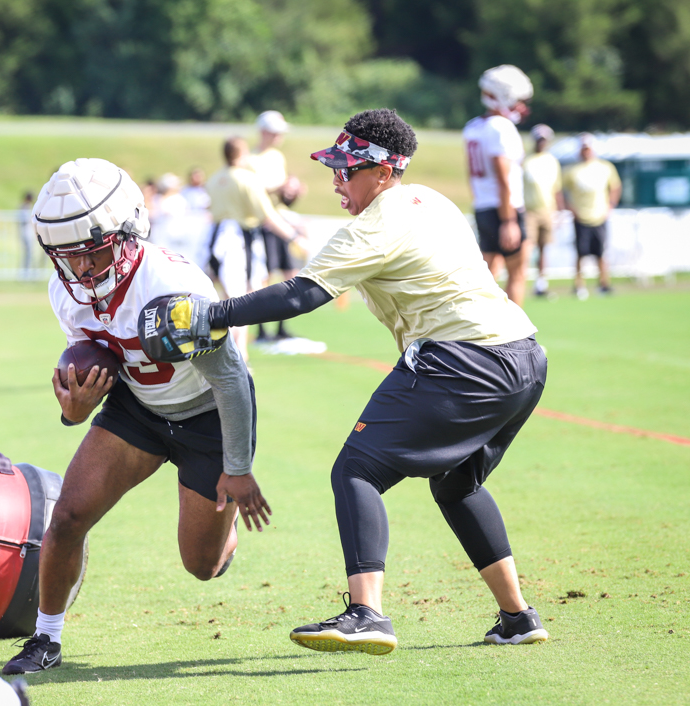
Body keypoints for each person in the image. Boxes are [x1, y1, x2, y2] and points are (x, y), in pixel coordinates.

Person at [149, 109, 550, 655]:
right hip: (525, 357)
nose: (337, 179)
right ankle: (518, 617)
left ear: (385, 171)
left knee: (356, 469)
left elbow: (300, 296)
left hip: (464, 360)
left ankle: (367, 614)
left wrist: (211, 314)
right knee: (458, 484)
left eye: (348, 169)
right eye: (334, 168)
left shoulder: (377, 222)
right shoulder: (429, 199)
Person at [1, 158, 271, 675]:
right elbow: (92, 367)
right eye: (66, 256)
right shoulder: (66, 291)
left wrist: (236, 467)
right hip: (138, 408)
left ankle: (222, 536)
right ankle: (45, 639)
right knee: (67, 518)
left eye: (92, 252)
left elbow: (233, 380)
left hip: (206, 414)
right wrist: (74, 412)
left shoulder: (170, 282)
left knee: (202, 565)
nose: (81, 270)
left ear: (127, 231)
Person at [206, 137, 303, 355]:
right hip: (238, 240)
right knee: (241, 302)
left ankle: (240, 354)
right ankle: (237, 357)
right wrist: (295, 236)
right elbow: (268, 216)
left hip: (216, 238)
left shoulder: (214, 179)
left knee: (228, 298)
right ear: (241, 154)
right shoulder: (247, 179)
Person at [463, 65, 533, 307]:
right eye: (518, 100)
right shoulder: (501, 127)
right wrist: (509, 220)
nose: (521, 106)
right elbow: (503, 177)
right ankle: (517, 341)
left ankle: (479, 339)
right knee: (517, 274)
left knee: (487, 277)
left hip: (483, 206)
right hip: (505, 208)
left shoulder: (473, 126)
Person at [251, 110, 305, 340]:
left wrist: (292, 191)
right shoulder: (250, 159)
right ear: (264, 132)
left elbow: (281, 197)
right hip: (264, 223)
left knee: (289, 273)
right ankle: (262, 329)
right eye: (275, 132)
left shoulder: (277, 157)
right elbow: (254, 193)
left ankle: (282, 327)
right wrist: (280, 187)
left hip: (281, 219)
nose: (279, 137)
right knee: (265, 276)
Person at [562, 134, 622, 299]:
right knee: (581, 253)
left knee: (601, 252)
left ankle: (604, 283)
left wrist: (610, 206)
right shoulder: (571, 170)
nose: (586, 151)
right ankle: (579, 285)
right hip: (580, 217)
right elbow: (560, 191)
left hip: (600, 215)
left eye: (588, 148)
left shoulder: (605, 167)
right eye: (583, 148)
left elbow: (616, 187)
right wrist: (569, 208)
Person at [523, 125, 564, 296]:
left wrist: (560, 211)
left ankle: (540, 284)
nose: (541, 143)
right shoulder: (525, 160)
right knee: (526, 248)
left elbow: (557, 189)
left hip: (548, 210)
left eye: (544, 140)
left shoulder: (552, 161)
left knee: (543, 248)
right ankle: (521, 281)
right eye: (539, 139)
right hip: (529, 210)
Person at [18, 190, 35, 272]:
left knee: (29, 253)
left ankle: (27, 270)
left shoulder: (27, 206)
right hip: (25, 232)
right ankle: (25, 271)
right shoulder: (24, 207)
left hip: (28, 232)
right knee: (27, 253)